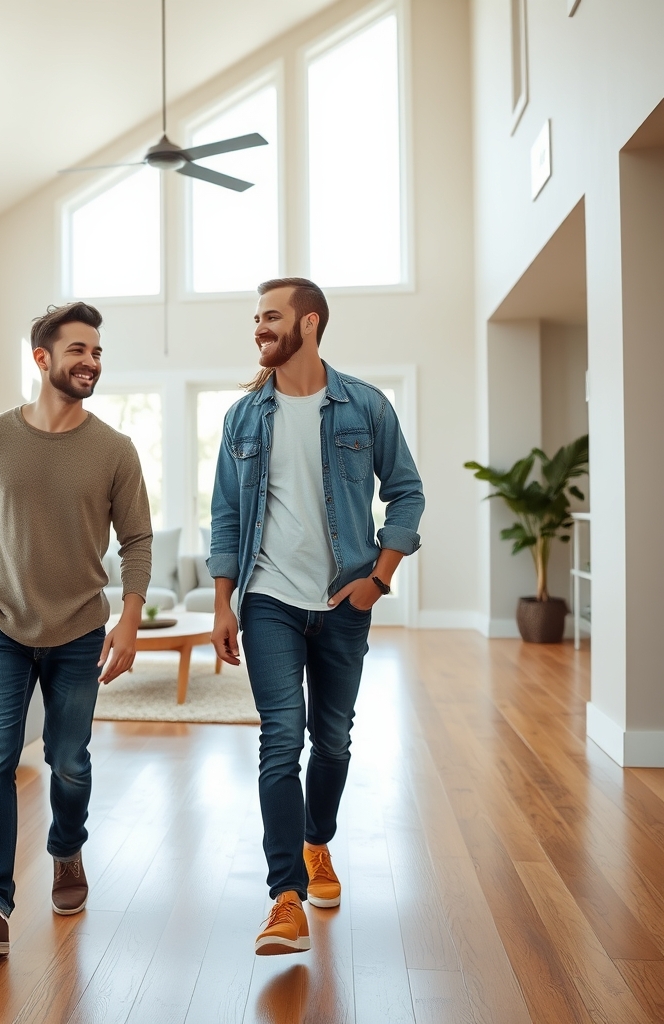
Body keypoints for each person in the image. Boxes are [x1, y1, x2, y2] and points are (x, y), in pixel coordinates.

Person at [208, 277, 424, 956]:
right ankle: (285, 898)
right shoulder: (244, 417)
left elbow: (408, 494)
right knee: (282, 738)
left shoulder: (364, 406)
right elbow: (226, 514)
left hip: (343, 600)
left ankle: (317, 843)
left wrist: (377, 580)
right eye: (256, 318)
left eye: (270, 317)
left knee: (332, 741)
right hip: (268, 598)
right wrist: (223, 601)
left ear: (309, 322)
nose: (258, 328)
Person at [0, 301, 152, 957]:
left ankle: (67, 851)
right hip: (2, 629)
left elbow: (137, 538)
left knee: (67, 760)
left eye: (96, 351)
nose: (91, 361)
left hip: (80, 632)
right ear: (41, 358)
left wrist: (131, 619)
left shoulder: (114, 449)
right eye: (78, 350)